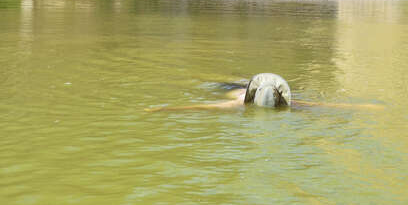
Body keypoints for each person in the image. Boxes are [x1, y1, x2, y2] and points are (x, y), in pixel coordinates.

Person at [147, 73, 383, 112]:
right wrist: (365, 107)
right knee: (226, 85)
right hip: (237, 91)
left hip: (243, 91)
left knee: (235, 85)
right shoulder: (239, 103)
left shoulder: (240, 106)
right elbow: (325, 108)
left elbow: (200, 108)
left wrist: (164, 109)